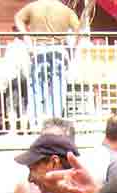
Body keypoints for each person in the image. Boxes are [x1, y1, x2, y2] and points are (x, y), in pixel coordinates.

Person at [14, 0, 80, 128]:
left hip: (39, 48)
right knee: (58, 88)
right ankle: (53, 123)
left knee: (36, 88)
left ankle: (36, 124)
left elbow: (18, 18)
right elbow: (79, 30)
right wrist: (72, 48)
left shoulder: (33, 6)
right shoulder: (65, 10)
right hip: (58, 50)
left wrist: (27, 37)